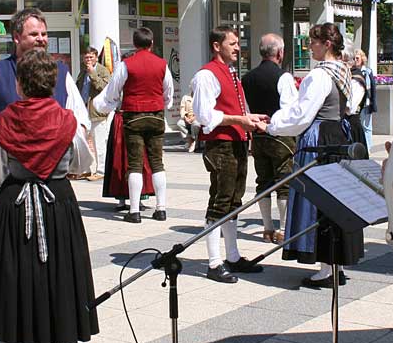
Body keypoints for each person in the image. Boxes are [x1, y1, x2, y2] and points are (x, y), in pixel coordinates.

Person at [0, 49, 98, 343]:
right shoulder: (66, 121)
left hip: (16, 200)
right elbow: (84, 162)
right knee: (58, 270)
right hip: (57, 200)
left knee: (23, 271)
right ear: (53, 83)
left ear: (19, 86)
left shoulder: (3, 122)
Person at [257, 23, 364, 289]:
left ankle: (327, 268)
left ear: (327, 44)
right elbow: (350, 106)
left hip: (321, 139)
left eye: (313, 42)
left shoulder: (320, 76)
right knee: (335, 202)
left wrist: (272, 125)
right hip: (339, 134)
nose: (309, 47)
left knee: (319, 203)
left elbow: (301, 115)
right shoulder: (343, 71)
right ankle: (333, 264)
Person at [192, 26, 266, 283]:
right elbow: (204, 116)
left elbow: (236, 108)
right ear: (217, 46)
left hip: (235, 142)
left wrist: (249, 120)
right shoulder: (206, 75)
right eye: (232, 43)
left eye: (237, 43)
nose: (237, 47)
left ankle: (232, 256)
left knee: (234, 200)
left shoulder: (231, 73)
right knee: (220, 201)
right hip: (220, 144)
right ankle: (214, 262)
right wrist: (239, 119)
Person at [0, 8, 90, 157]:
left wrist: (72, 160)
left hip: (54, 170)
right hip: (10, 171)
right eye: (34, 34)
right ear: (16, 37)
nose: (41, 39)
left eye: (44, 34)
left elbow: (80, 119)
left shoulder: (62, 72)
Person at [93, 27, 174, 223]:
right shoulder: (162, 64)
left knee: (135, 164)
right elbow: (168, 92)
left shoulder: (126, 64)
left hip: (134, 116)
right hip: (155, 116)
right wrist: (160, 104)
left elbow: (113, 90)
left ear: (135, 44)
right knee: (157, 162)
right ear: (152, 43)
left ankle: (135, 211)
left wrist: (108, 105)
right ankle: (161, 208)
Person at [241, 33, 298, 244]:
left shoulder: (247, 78)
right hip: (280, 135)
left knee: (263, 181)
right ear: (280, 53)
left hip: (257, 134)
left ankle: (267, 228)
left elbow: (245, 109)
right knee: (284, 181)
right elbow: (290, 109)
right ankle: (283, 229)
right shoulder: (283, 77)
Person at [76, 47, 112, 181]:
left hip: (97, 112)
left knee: (99, 142)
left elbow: (104, 88)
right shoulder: (82, 71)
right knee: (83, 142)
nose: (88, 60)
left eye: (91, 57)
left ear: (96, 57)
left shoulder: (103, 70)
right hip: (83, 111)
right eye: (86, 57)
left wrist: (93, 74)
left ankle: (101, 170)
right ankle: (85, 169)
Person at [352, 49, 376, 142]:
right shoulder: (352, 71)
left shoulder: (367, 71)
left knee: (367, 127)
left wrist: (373, 105)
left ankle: (368, 149)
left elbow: (373, 89)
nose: (355, 60)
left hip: (366, 103)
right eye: (354, 58)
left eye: (357, 58)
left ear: (362, 59)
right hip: (356, 104)